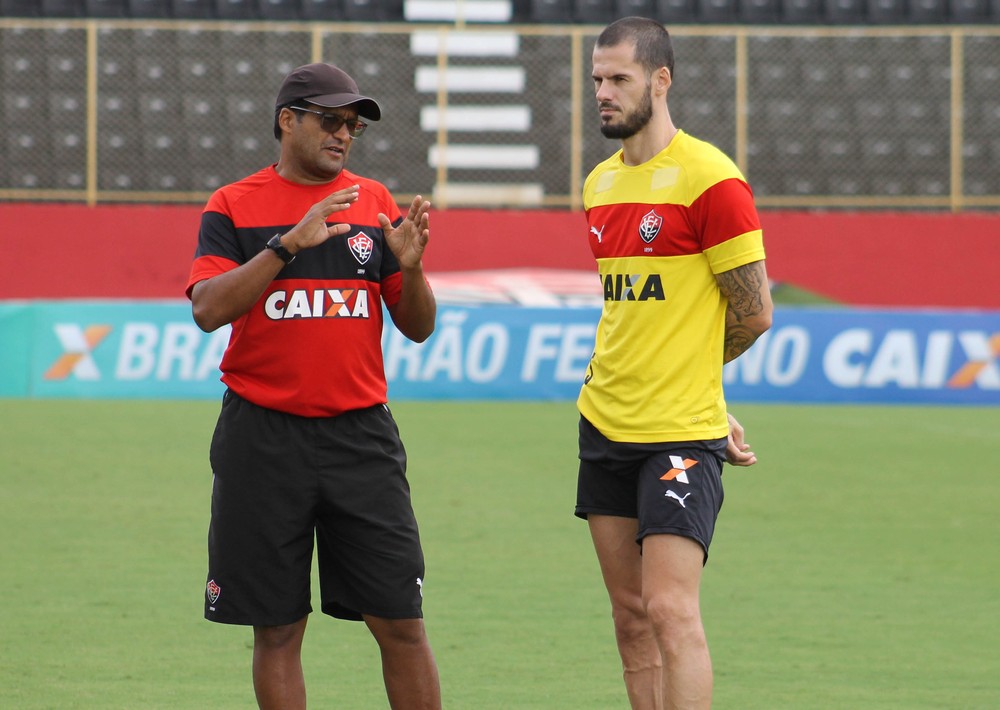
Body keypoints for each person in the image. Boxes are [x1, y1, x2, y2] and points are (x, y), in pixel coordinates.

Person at [186, 63, 440, 710]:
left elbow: (416, 328)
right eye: (330, 120)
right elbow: (209, 308)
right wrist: (284, 247)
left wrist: (411, 271)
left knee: (402, 624)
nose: (343, 135)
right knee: (276, 627)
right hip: (262, 438)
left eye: (352, 126)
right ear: (287, 120)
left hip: (361, 438)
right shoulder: (232, 205)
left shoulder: (374, 202)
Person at [574, 17, 774, 710]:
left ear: (661, 80)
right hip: (603, 422)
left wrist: (697, 386)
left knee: (669, 610)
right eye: (597, 79)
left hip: (678, 435)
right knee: (629, 616)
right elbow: (638, 314)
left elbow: (753, 314)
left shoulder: (711, 180)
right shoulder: (599, 185)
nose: (603, 92)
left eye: (619, 79)